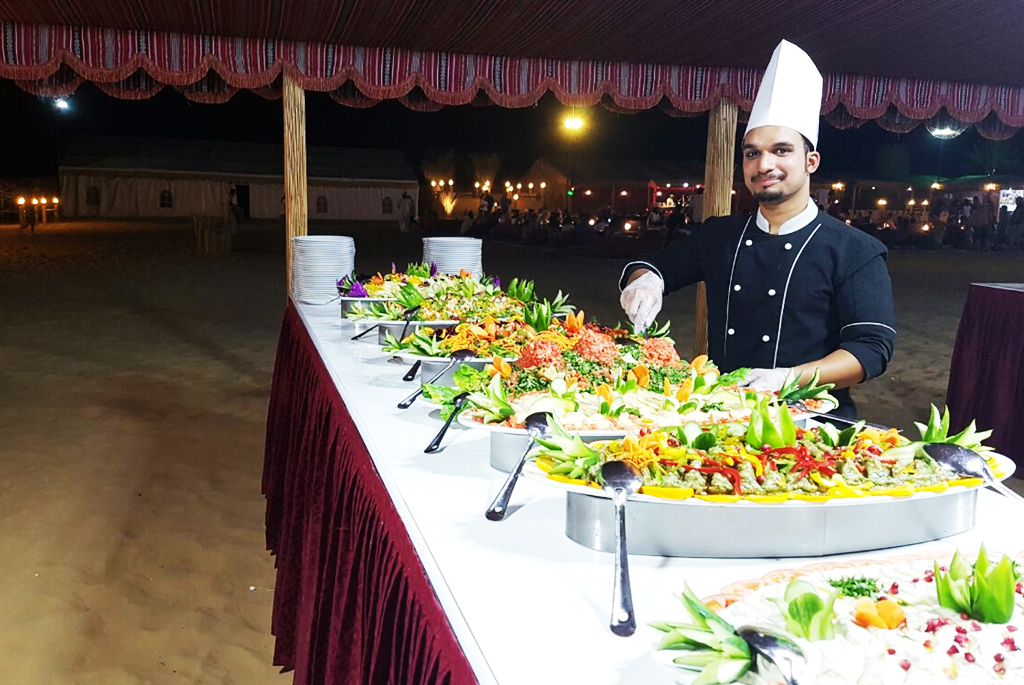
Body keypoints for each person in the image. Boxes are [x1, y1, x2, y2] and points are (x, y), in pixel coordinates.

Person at [618, 40, 895, 419]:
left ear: (810, 161)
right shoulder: (719, 236)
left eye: (781, 150)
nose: (764, 164)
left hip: (815, 421)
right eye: (752, 153)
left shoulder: (855, 251)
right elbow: (655, 266)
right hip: (721, 412)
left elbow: (871, 348)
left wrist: (788, 378)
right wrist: (645, 282)